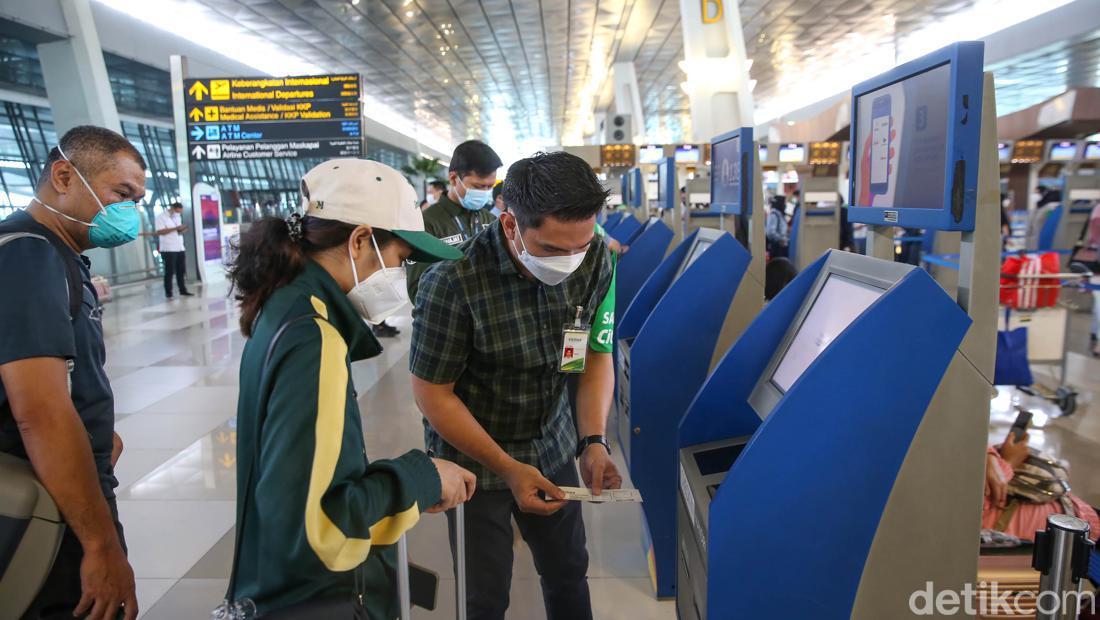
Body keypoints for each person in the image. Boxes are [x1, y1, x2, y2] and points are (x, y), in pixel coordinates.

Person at [224, 159, 476, 617]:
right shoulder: (313, 337)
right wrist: (422, 478)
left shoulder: (285, 307)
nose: (402, 275)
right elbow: (323, 530)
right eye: (401, 259)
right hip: (313, 597)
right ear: (360, 240)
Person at [410, 151, 621, 620]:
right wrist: (507, 467)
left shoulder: (594, 259)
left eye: (580, 246)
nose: (570, 261)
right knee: (485, 596)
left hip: (552, 442)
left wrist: (593, 442)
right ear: (510, 226)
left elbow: (593, 356)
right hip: (473, 461)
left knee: (569, 572)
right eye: (550, 249)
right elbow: (432, 394)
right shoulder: (452, 282)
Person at [0, 125, 145, 620]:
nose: (129, 211)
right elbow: (39, 413)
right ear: (64, 175)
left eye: (137, 199)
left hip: (62, 487)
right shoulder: (29, 254)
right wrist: (101, 546)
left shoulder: (62, 256)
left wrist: (98, 435)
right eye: (121, 193)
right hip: (48, 506)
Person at [406, 140, 502, 301]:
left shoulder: (491, 221)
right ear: (453, 178)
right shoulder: (426, 223)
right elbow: (417, 289)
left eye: (489, 187)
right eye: (478, 187)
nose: (485, 192)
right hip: (444, 319)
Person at [982, 429, 1099, 539]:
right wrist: (1008, 463)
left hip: (1075, 516)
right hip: (1063, 541)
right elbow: (976, 504)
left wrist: (989, 455)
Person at [153, 201, 192, 298]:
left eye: (180, 212)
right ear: (172, 208)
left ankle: (183, 290)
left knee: (181, 270)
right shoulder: (161, 217)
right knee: (169, 271)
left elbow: (177, 230)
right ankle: (168, 292)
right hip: (168, 248)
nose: (178, 213)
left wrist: (182, 229)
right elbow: (160, 231)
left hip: (179, 247)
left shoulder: (177, 216)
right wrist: (175, 228)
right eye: (177, 211)